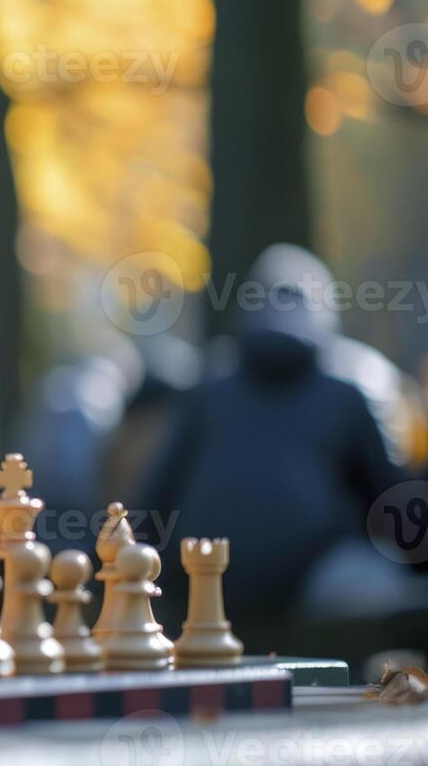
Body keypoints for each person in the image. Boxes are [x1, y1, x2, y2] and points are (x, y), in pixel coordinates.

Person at [136, 244, 421, 627]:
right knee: (389, 586)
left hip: (209, 587)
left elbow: (155, 497)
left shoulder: (206, 390)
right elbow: (392, 504)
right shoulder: (343, 395)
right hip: (311, 582)